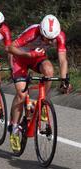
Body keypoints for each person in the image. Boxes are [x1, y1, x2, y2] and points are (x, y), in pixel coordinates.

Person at [8, 14, 72, 151]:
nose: (49, 42)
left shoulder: (59, 36)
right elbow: (10, 48)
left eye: (51, 39)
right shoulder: (32, 32)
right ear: (41, 32)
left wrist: (64, 80)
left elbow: (62, 60)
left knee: (49, 71)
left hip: (37, 57)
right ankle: (13, 129)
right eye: (46, 39)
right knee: (21, 95)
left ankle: (42, 102)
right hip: (20, 58)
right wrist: (27, 55)